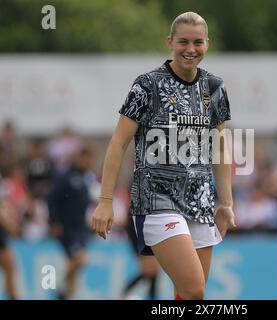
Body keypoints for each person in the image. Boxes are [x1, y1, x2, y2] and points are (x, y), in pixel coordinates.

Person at [91, 11, 236, 300]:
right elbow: (118, 143)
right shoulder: (147, 85)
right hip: (157, 199)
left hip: (201, 200)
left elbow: (220, 145)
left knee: (189, 295)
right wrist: (105, 202)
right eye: (183, 42)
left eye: (198, 42)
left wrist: (226, 203)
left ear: (207, 43)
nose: (190, 49)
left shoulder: (214, 87)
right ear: (170, 41)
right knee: (194, 289)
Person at [47, 146, 94, 300]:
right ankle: (60, 283)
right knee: (81, 258)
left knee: (74, 269)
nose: (87, 162)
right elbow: (51, 198)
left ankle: (65, 295)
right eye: (84, 158)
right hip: (67, 228)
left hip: (79, 227)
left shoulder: (86, 177)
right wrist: (54, 221)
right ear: (77, 158)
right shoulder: (65, 176)